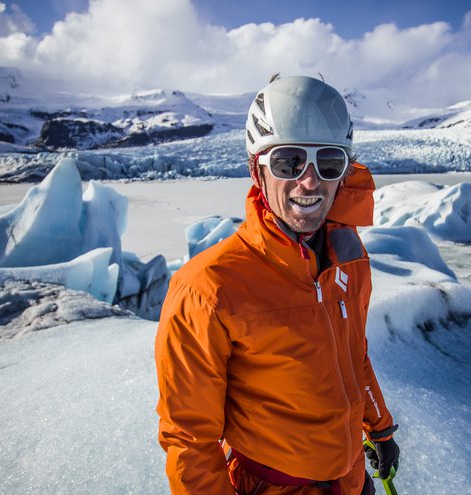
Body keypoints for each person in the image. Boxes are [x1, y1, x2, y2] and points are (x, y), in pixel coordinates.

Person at [155, 75, 399, 495]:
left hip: (351, 482)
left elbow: (354, 354)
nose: (309, 181)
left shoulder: (349, 256)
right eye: (289, 162)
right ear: (257, 169)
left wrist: (379, 428)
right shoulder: (208, 287)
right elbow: (190, 442)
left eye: (328, 163)